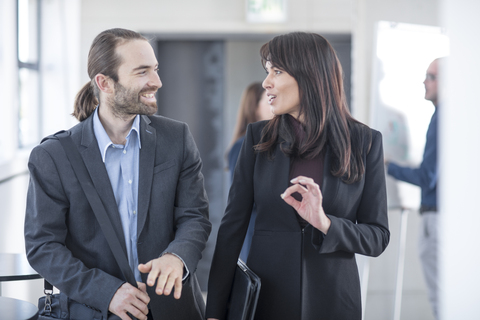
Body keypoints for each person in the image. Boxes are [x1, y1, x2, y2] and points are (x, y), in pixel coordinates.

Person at [24, 28, 211, 320]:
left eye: (156, 69)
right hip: (95, 310)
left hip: (173, 310)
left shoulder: (177, 138)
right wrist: (107, 292)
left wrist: (177, 257)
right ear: (105, 83)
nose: (157, 82)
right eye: (142, 72)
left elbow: (195, 216)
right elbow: (43, 247)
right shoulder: (53, 156)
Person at [206, 32, 390, 320]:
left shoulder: (365, 142)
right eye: (267, 72)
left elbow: (377, 237)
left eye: (277, 71)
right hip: (266, 301)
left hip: (334, 303)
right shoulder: (256, 138)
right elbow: (232, 228)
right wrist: (215, 311)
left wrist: (326, 223)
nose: (266, 82)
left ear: (310, 75)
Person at [386, 58, 441, 320]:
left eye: (431, 76)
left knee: (440, 295)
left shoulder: (443, 117)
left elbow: (428, 176)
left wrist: (389, 166)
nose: (424, 81)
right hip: (439, 214)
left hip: (438, 216)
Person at [227, 82, 272, 261]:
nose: (274, 105)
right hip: (254, 234)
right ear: (254, 107)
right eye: (268, 100)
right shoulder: (243, 145)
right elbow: (240, 199)